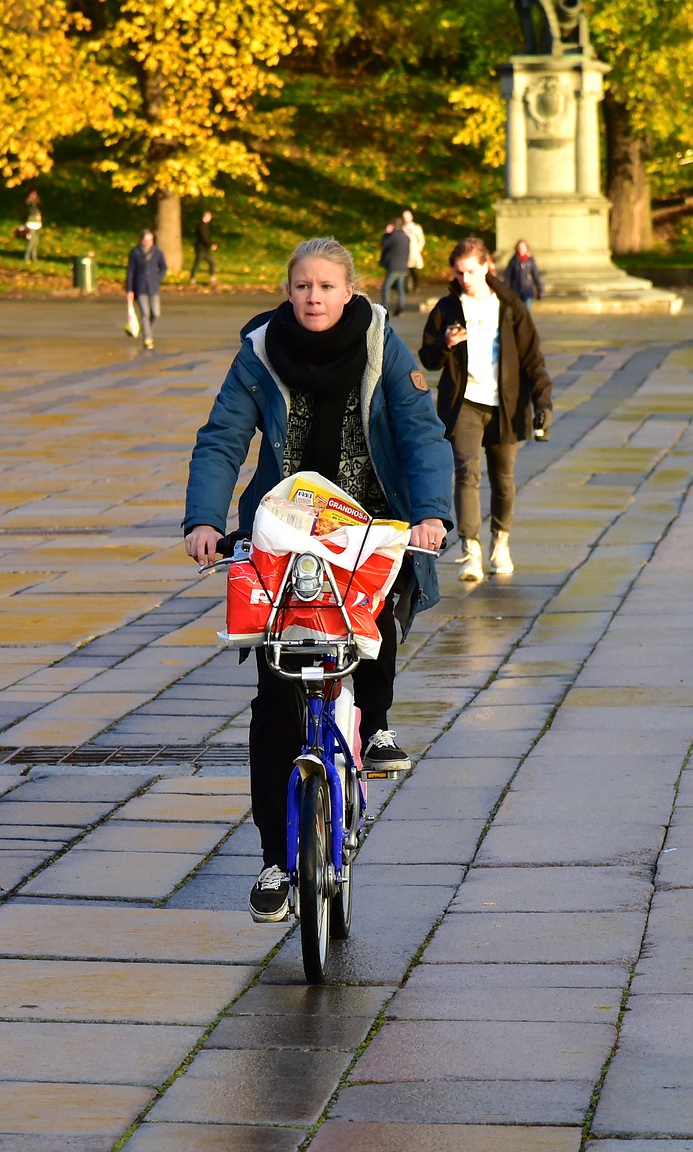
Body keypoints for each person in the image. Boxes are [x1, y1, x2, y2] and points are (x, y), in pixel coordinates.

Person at [182, 237, 454, 923]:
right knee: (275, 702)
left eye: (327, 287)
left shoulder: (380, 344)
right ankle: (277, 861)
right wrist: (204, 520)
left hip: (370, 522)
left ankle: (380, 725)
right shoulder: (260, 350)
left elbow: (421, 433)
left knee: (378, 621)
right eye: (302, 286)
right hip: (283, 532)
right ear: (288, 289)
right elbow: (222, 437)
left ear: (351, 290)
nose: (313, 298)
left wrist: (429, 516)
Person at [420, 236, 553, 582]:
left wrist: (543, 402)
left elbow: (532, 358)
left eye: (472, 271)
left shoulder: (509, 306)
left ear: (487, 267)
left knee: (504, 480)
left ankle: (501, 542)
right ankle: (471, 550)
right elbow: (427, 357)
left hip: (505, 406)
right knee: (466, 474)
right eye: (460, 272)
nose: (465, 279)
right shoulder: (447, 308)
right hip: (464, 404)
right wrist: (446, 344)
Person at [125, 230, 168, 351]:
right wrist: (129, 289)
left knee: (156, 313)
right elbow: (130, 272)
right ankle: (147, 338)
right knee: (145, 314)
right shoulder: (135, 253)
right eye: (146, 240)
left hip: (154, 287)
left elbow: (164, 268)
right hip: (140, 287)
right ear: (141, 240)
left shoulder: (158, 252)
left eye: (150, 240)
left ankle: (146, 329)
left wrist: (158, 278)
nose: (148, 242)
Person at [378, 221, 411, 318]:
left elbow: (383, 244)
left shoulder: (393, 236)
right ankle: (400, 307)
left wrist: (386, 233)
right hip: (403, 266)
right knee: (400, 287)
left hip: (393, 266)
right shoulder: (406, 237)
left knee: (386, 286)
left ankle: (385, 308)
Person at [504, 239, 544, 308]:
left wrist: (539, 290)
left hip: (527, 289)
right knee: (518, 311)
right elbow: (508, 276)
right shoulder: (513, 261)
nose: (521, 249)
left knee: (527, 310)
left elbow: (535, 275)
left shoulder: (530, 261)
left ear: (526, 248)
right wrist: (507, 289)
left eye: (523, 247)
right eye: (519, 247)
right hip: (516, 290)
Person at [402, 208, 427, 293]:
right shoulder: (402, 228)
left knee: (414, 271)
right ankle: (407, 287)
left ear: (411, 217)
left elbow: (421, 240)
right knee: (406, 272)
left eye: (407, 217)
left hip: (414, 252)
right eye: (404, 217)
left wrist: (417, 250)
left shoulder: (416, 227)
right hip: (405, 253)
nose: (406, 219)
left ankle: (416, 285)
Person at [192, 210, 219, 285]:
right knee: (197, 264)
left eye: (209, 217)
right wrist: (210, 245)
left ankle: (212, 278)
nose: (209, 218)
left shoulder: (205, 226)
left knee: (212, 262)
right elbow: (203, 238)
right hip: (200, 250)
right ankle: (192, 279)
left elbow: (206, 238)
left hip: (205, 250)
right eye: (207, 217)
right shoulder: (201, 226)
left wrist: (210, 244)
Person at [23, 191, 43, 264]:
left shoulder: (38, 204)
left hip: (38, 225)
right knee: (31, 242)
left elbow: (39, 213)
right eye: (32, 194)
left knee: (36, 242)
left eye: (35, 194)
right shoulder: (28, 204)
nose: (34, 196)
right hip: (30, 225)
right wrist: (30, 200)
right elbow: (28, 209)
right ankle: (26, 257)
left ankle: (34, 258)